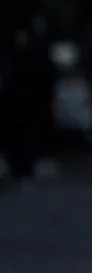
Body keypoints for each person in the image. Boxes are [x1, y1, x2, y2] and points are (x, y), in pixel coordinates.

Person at [0, 14, 57, 187]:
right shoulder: (13, 57)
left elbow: (44, 80)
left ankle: (25, 170)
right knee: (16, 140)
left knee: (28, 140)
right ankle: (18, 170)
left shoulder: (33, 57)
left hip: (30, 106)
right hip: (15, 106)